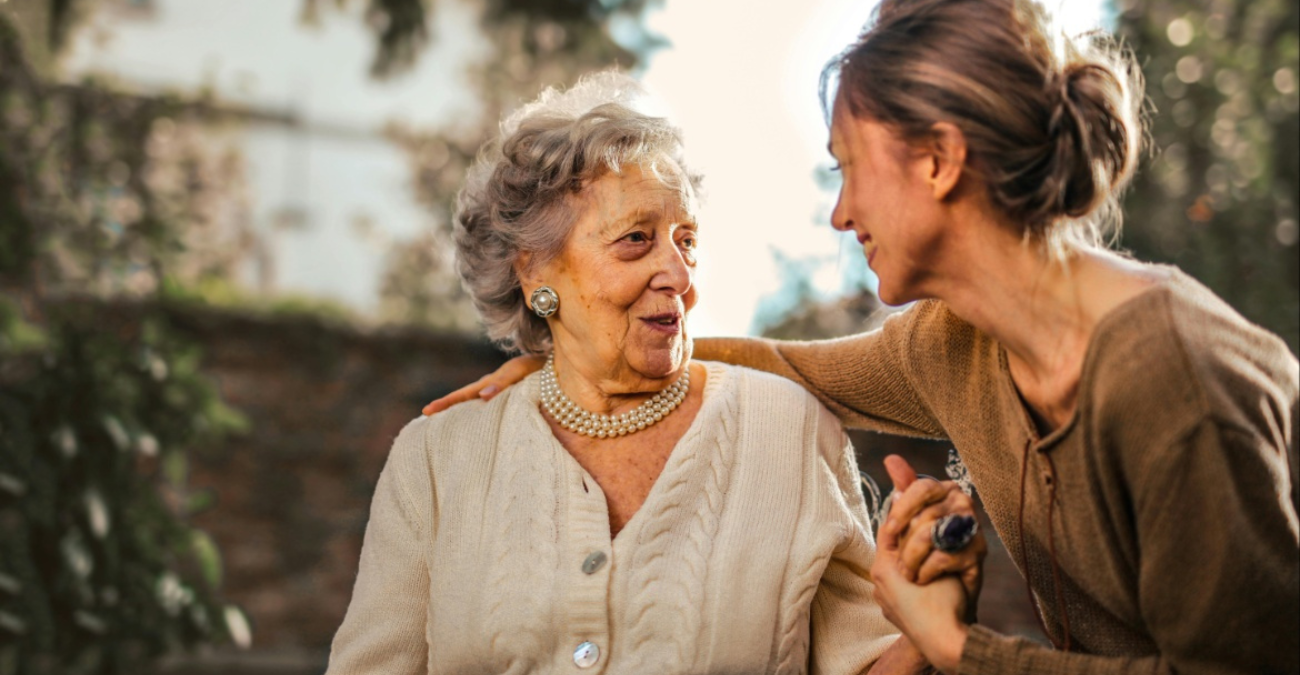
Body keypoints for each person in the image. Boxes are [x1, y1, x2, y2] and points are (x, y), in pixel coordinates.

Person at [423, 2, 1300, 673]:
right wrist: (568, 363)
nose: (840, 213)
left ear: (939, 159)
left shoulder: (1172, 380)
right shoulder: (954, 344)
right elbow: (782, 363)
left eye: (848, 167)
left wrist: (959, 649)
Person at [327, 72, 934, 674]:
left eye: (687, 241)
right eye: (636, 240)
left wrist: (930, 634)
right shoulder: (436, 459)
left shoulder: (791, 431)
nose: (679, 274)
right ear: (536, 272)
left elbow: (863, 661)